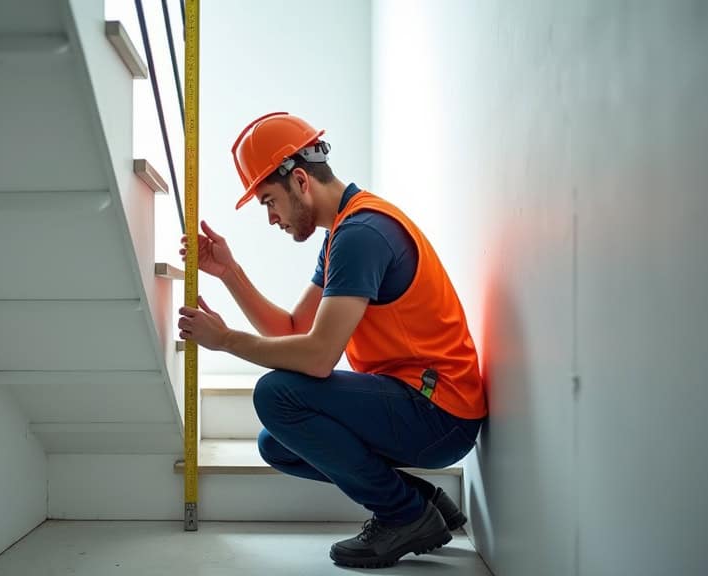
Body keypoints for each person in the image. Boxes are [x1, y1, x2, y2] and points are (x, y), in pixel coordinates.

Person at [177, 112, 487, 569]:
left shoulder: (361, 234)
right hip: (418, 403)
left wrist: (225, 340)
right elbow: (292, 330)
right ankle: (421, 504)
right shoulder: (343, 232)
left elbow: (319, 357)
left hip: (440, 412)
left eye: (269, 201)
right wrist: (230, 274)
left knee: (276, 395)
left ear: (300, 180)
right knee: (276, 443)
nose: (271, 219)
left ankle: (404, 515)